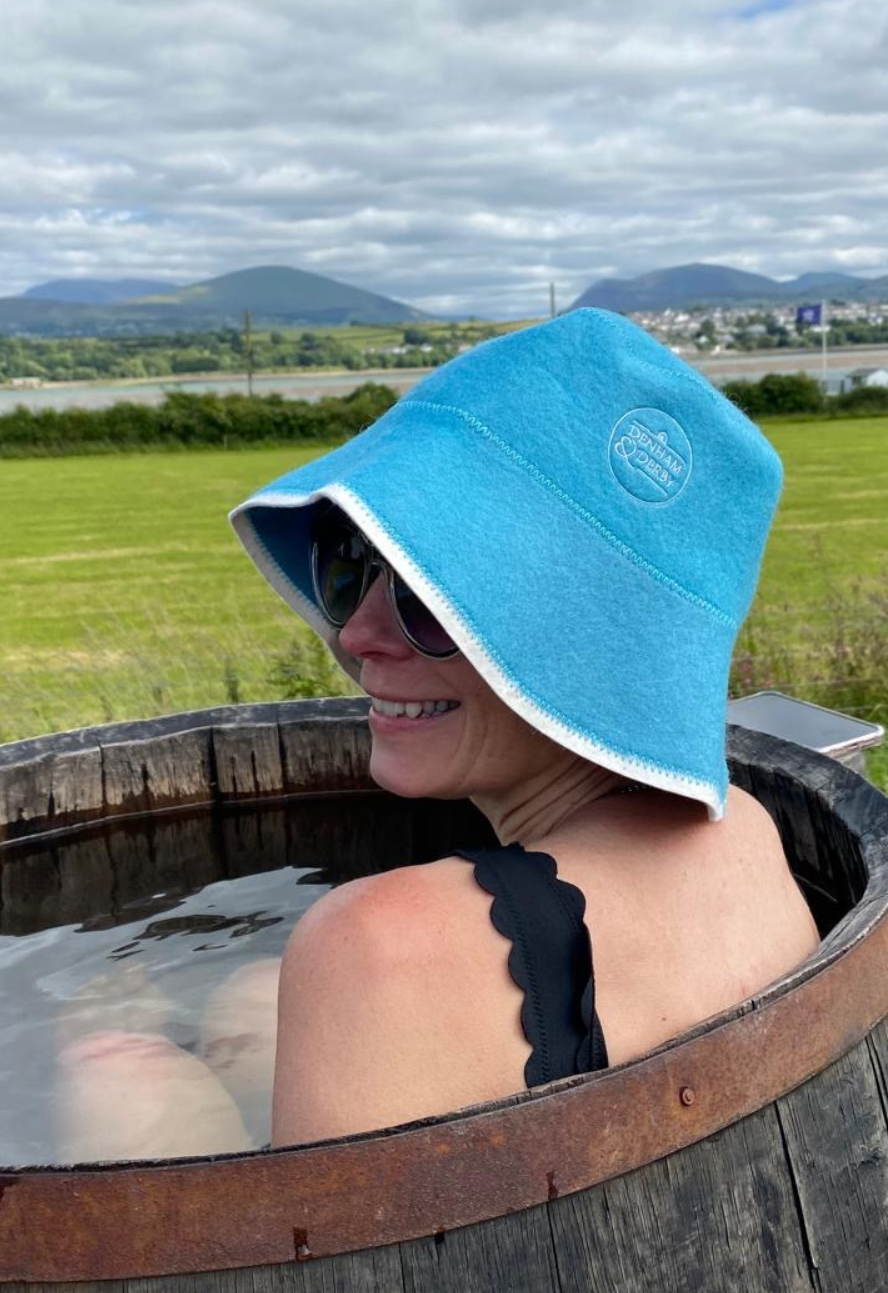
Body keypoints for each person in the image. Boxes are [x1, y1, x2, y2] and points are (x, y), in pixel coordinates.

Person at [56, 308, 818, 1159]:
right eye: (350, 567)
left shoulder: (375, 947)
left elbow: (307, 1255)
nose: (357, 635)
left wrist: (109, 1049)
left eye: (433, 597)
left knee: (114, 1068)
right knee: (251, 993)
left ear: (582, 647)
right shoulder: (751, 838)